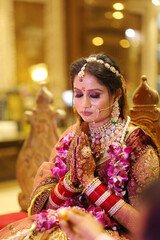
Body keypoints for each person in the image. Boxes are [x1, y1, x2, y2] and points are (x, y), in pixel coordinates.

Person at [0, 53, 159, 240]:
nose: (85, 104)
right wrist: (70, 182)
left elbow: (147, 224)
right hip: (67, 223)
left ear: (116, 95)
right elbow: (40, 208)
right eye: (78, 94)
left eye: (94, 95)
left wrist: (91, 184)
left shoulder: (136, 142)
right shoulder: (71, 136)